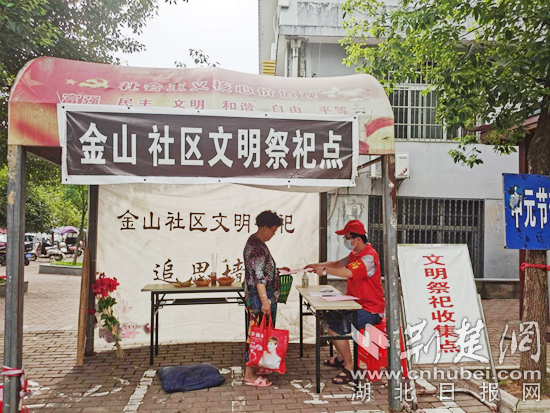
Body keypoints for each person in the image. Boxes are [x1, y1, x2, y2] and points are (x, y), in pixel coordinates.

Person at [306, 219, 385, 385]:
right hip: (356, 305)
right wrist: (318, 265)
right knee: (330, 318)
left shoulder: (369, 257)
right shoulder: (355, 254)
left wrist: (324, 270)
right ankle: (341, 358)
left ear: (357, 239)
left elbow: (348, 272)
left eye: (347, 237)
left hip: (370, 310)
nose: (346, 241)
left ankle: (350, 367)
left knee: (336, 328)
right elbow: (338, 264)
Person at [243, 210, 289, 388]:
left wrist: (276, 271)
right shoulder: (257, 248)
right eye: (273, 230)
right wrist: (264, 301)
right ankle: (250, 374)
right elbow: (259, 278)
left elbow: (262, 271)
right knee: (258, 335)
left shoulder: (255, 242)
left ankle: (259, 365)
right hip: (260, 296)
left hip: (259, 295)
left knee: (261, 333)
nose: (273, 235)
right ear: (264, 227)